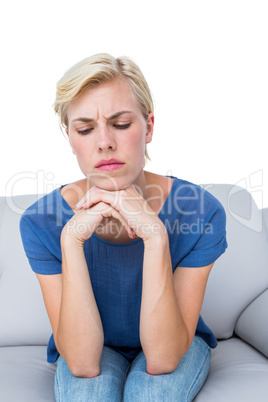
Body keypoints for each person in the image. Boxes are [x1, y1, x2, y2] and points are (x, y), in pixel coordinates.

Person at [20, 53, 228, 401]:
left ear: (148, 127)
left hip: (172, 341)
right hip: (92, 346)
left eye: (120, 124)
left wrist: (155, 234)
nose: (104, 142)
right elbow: (84, 364)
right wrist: (71, 241)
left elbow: (163, 359)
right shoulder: (40, 222)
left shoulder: (201, 212)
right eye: (85, 129)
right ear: (70, 138)